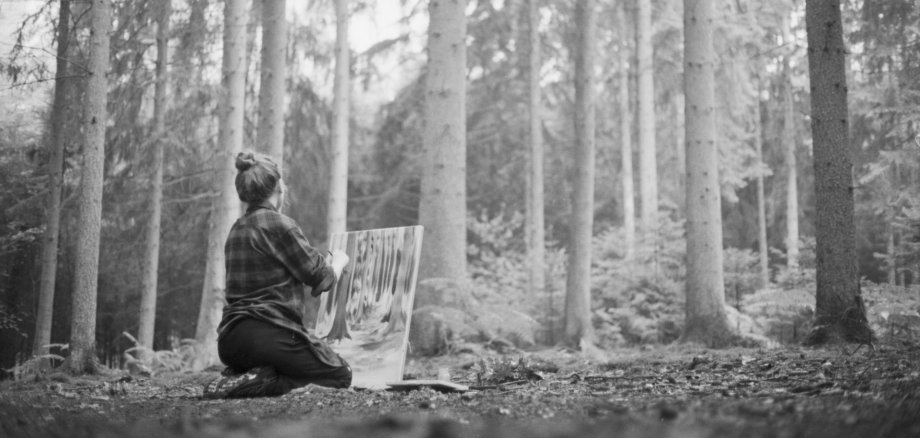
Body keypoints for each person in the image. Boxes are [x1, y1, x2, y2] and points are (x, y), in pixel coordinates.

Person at [203, 150, 352, 399]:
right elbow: (320, 278)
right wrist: (338, 261)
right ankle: (261, 382)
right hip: (270, 337)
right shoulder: (280, 225)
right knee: (340, 374)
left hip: (229, 342)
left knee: (285, 361)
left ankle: (246, 376)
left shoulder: (235, 229)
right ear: (278, 189)